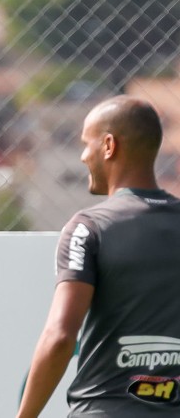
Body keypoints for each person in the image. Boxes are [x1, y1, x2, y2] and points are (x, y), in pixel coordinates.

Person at [17, 96, 180, 417]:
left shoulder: (89, 227)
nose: (82, 156)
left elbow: (61, 337)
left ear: (109, 145)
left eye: (85, 143)